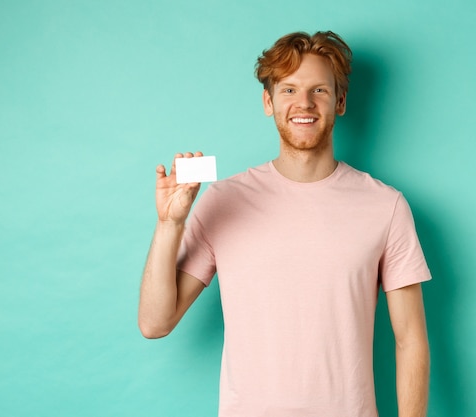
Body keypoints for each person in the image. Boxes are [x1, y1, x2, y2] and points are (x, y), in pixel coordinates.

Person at [138, 31, 431, 417]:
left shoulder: (385, 206)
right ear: (268, 101)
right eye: (289, 90)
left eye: (320, 91)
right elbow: (155, 323)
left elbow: (411, 340)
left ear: (340, 101)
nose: (304, 103)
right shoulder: (225, 199)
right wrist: (169, 224)